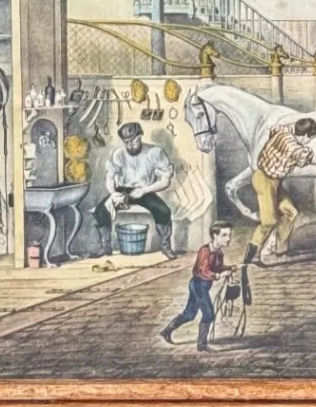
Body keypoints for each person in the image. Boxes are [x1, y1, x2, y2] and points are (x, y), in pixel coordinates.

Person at [93, 121, 176, 258]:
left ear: (140, 136)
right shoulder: (119, 154)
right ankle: (105, 247)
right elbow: (110, 177)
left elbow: (165, 181)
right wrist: (113, 193)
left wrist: (144, 191)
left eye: (134, 141)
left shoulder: (154, 152)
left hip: (145, 191)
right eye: (127, 142)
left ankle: (166, 246)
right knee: (101, 210)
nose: (131, 145)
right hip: (122, 191)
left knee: (163, 211)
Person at [248, 116, 316, 266]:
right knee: (269, 221)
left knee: (290, 212)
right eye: (311, 138)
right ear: (305, 135)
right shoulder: (292, 146)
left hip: (274, 182)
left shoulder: (284, 132)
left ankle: (281, 251)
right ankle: (251, 256)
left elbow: (279, 127)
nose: (310, 142)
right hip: (264, 180)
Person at [161, 221, 234, 351]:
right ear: (215, 235)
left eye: (229, 235)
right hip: (198, 285)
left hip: (203, 286)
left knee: (189, 314)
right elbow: (203, 271)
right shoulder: (205, 251)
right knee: (208, 314)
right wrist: (219, 275)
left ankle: (166, 331)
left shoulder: (219, 252)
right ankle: (202, 345)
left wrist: (229, 268)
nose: (228, 238)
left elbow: (217, 268)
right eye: (224, 235)